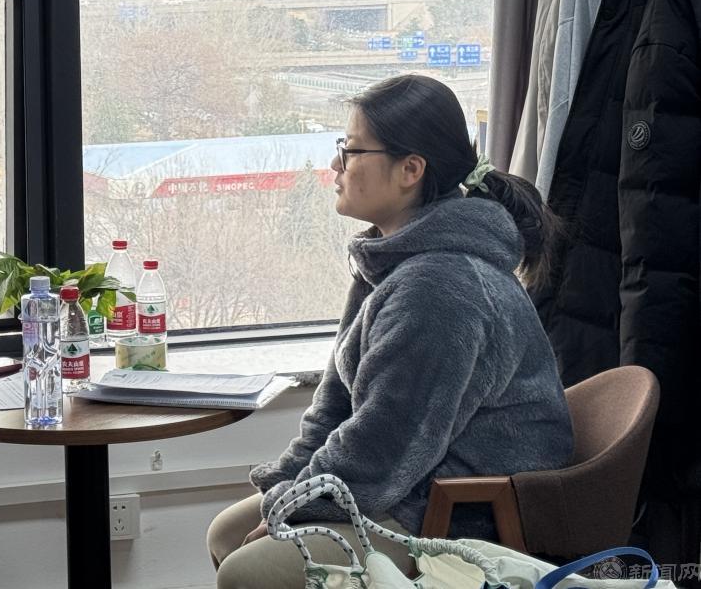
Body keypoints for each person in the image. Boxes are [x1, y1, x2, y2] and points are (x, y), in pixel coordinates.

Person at [207, 74, 573, 589]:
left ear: (410, 169)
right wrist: (286, 488)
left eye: (352, 150)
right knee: (228, 533)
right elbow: (336, 407)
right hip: (406, 484)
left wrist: (289, 508)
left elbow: (382, 447)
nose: (335, 164)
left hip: (455, 511)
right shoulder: (391, 262)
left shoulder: (441, 288)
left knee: (248, 572)